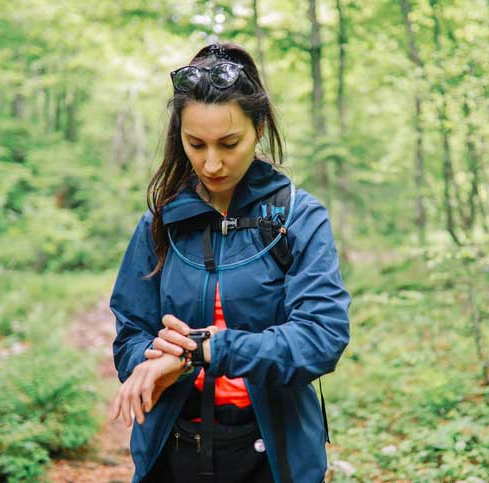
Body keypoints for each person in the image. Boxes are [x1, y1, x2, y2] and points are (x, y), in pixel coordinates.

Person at [108, 42, 351, 483]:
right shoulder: (160, 223)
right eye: (195, 144)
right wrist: (155, 360)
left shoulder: (297, 216)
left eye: (229, 143)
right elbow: (129, 334)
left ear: (258, 128)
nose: (212, 163)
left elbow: (322, 336)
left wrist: (206, 349)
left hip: (271, 454)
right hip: (173, 448)